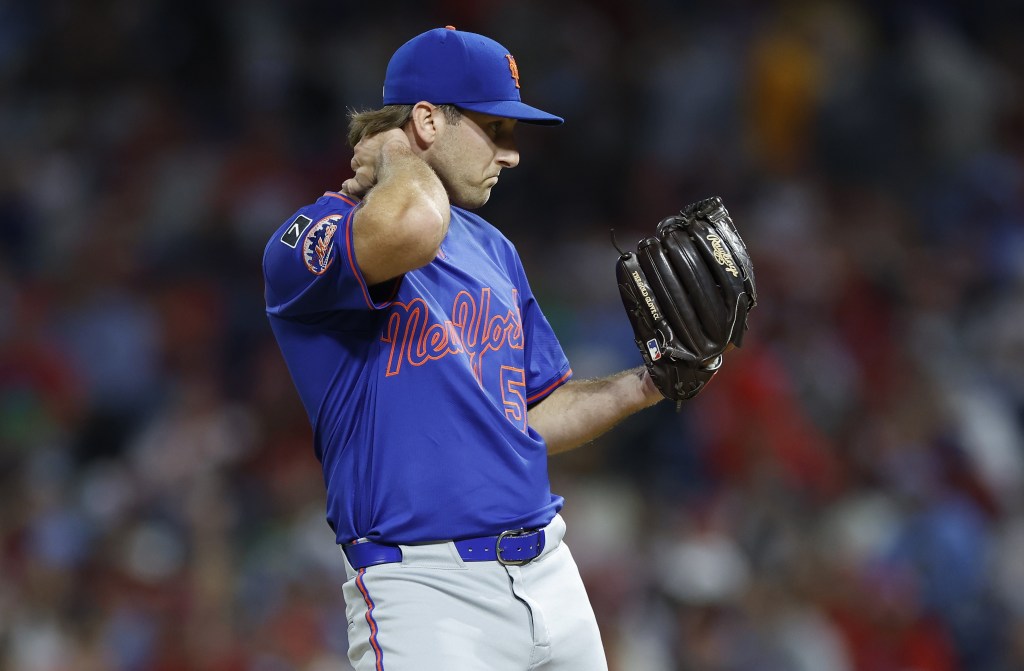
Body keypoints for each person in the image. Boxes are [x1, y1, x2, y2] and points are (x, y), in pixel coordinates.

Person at [262, 26, 667, 670]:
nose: (511, 154)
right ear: (425, 120)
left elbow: (529, 417)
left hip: (549, 570)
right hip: (425, 591)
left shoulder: (492, 248)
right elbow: (412, 224)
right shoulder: (312, 237)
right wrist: (395, 153)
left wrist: (645, 385)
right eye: (495, 128)